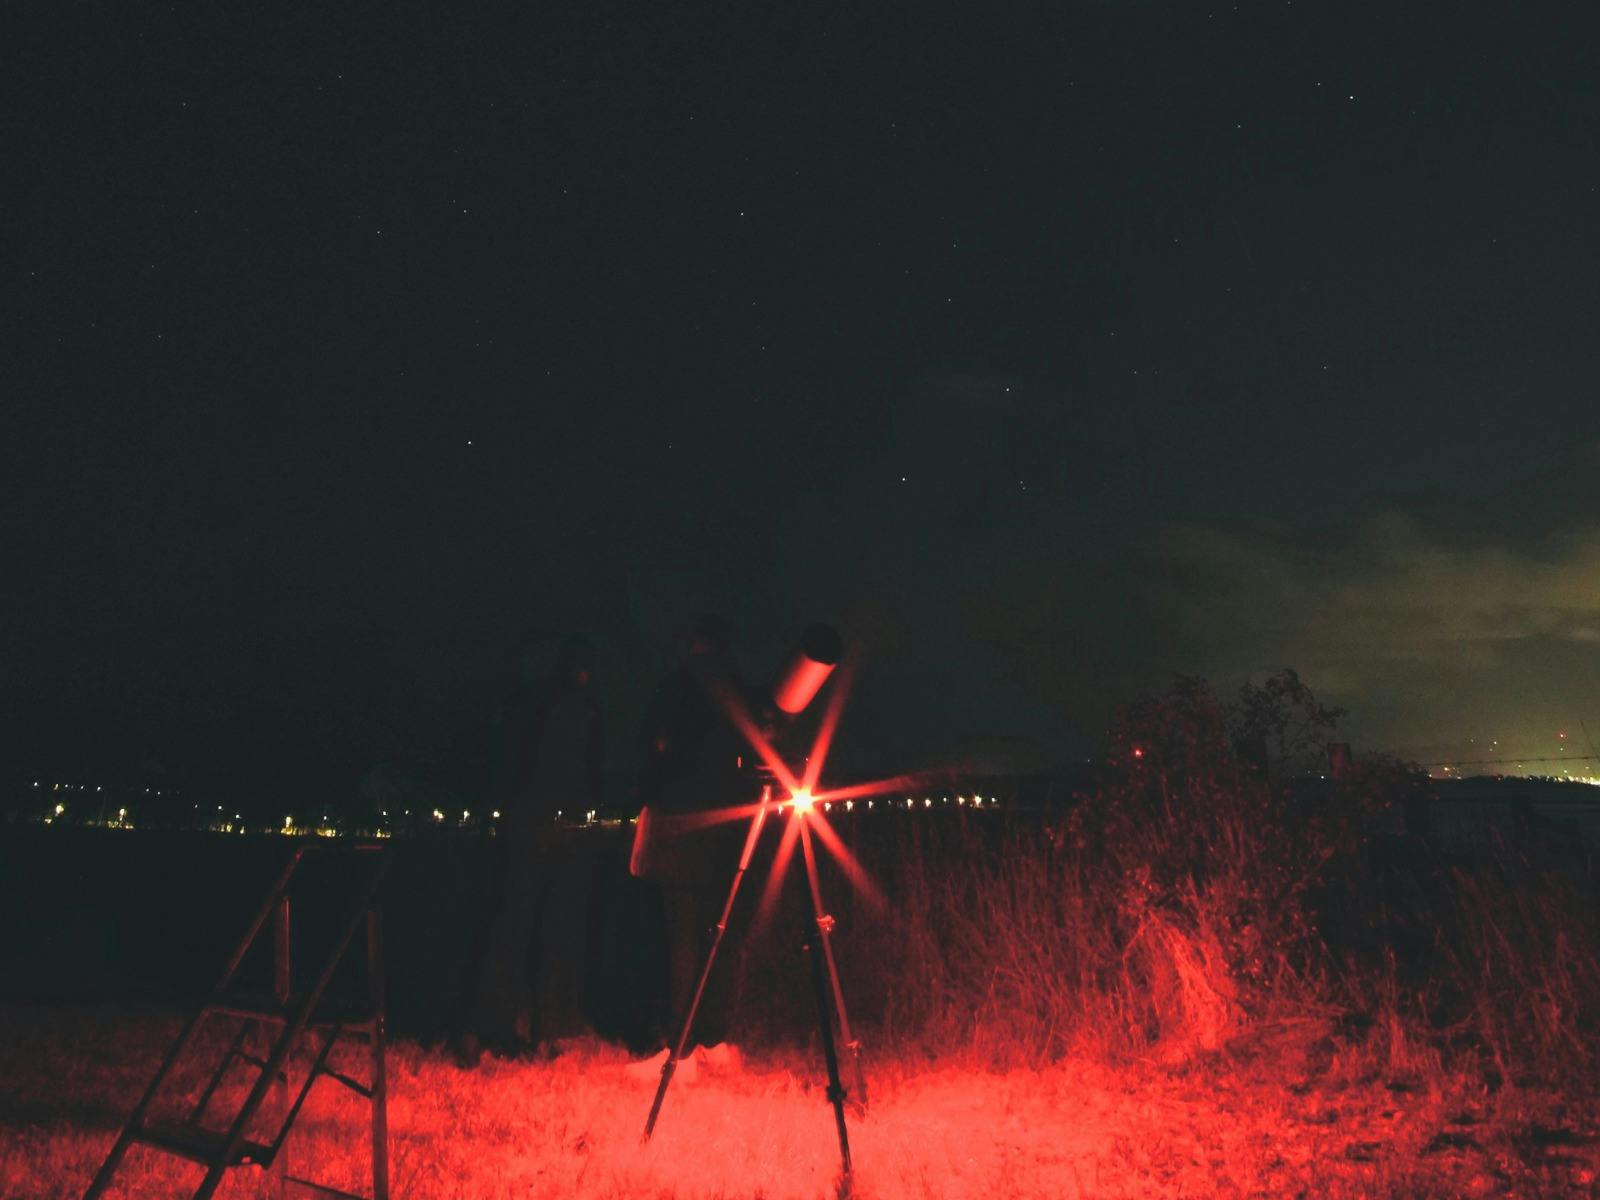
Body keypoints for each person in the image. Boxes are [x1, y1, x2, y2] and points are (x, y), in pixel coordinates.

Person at [456, 636, 602, 1066]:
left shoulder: (536, 704)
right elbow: (583, 770)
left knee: (514, 930)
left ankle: (494, 1028)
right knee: (543, 932)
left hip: (530, 826)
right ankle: (533, 1030)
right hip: (547, 828)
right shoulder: (577, 709)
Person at [628, 616, 749, 1078]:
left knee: (680, 941)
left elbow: (653, 752)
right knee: (720, 936)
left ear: (693, 644)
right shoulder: (735, 692)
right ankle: (713, 1039)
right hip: (727, 832)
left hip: (683, 829)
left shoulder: (676, 691)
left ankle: (679, 1052)